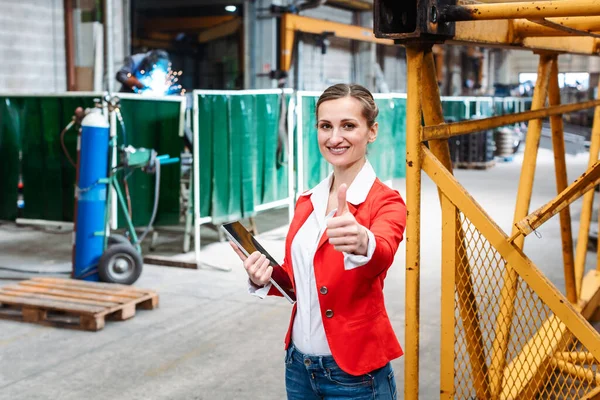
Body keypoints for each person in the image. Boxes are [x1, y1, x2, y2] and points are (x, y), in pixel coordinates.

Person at [230, 83, 407, 399]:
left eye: (348, 126)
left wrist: (362, 242)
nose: (334, 138)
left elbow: (382, 251)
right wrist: (263, 277)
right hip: (299, 366)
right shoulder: (307, 201)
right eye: (326, 126)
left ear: (372, 131)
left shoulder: (386, 202)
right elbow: (299, 283)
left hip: (354, 375)